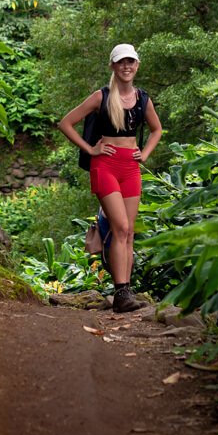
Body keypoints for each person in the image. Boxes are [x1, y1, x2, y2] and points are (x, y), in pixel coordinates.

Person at [58, 43, 162, 313]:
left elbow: (157, 130)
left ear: (137, 65)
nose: (126, 66)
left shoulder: (143, 99)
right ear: (113, 66)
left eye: (131, 62)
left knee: (128, 231)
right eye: (121, 62)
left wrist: (145, 154)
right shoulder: (101, 96)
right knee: (120, 227)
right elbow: (65, 123)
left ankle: (125, 290)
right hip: (104, 166)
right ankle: (121, 292)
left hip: (130, 167)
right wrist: (91, 149)